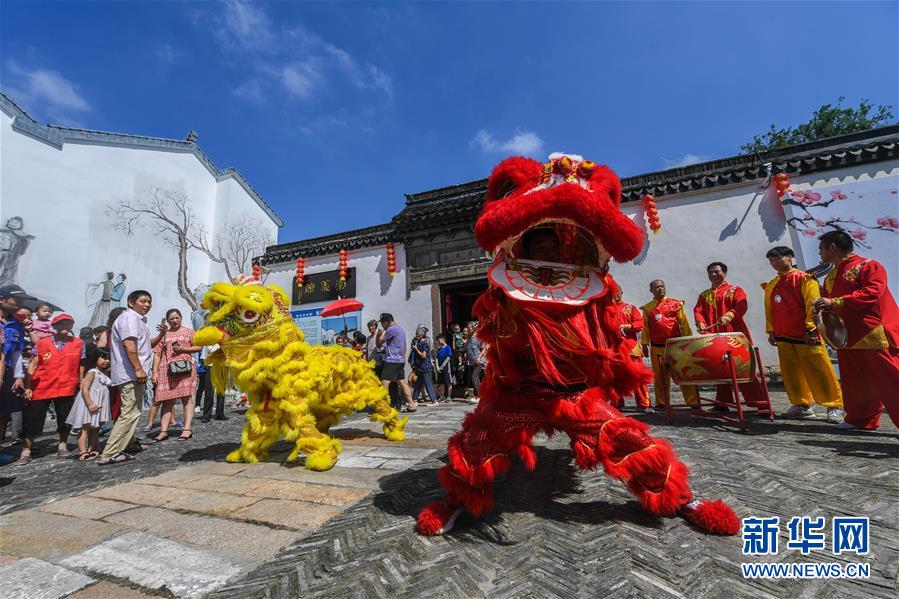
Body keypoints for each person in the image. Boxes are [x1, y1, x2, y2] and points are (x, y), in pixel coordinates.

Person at [814, 230, 899, 430]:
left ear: (832, 247)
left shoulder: (869, 266)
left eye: (821, 249)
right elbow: (829, 302)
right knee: (855, 382)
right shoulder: (831, 275)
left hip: (873, 331)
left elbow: (872, 292)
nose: (819, 253)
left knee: (891, 380)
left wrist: (833, 302)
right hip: (846, 334)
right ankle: (860, 418)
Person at [763, 246, 843, 422]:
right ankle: (802, 405)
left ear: (789, 257)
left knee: (819, 369)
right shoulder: (772, 284)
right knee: (791, 372)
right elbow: (769, 309)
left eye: (778, 258)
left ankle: (834, 405)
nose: (775, 263)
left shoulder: (805, 279)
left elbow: (812, 305)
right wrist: (771, 330)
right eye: (771, 260)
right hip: (783, 334)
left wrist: (811, 328)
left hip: (806, 335)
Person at [693, 262, 766, 410]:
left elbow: (741, 305)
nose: (714, 275)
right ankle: (722, 402)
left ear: (724, 273)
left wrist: (730, 315)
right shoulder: (704, 295)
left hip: (734, 337)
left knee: (744, 369)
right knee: (720, 369)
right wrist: (700, 323)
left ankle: (760, 403)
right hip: (715, 337)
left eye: (717, 272)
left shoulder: (735, 290)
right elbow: (698, 310)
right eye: (711, 273)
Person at [18, 314, 83, 465]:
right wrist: (27, 386)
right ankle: (26, 450)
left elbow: (82, 363)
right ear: (54, 327)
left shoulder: (78, 343)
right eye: (61, 324)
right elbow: (33, 364)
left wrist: (81, 379)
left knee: (65, 417)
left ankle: (62, 445)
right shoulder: (42, 343)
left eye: (68, 323)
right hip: (42, 386)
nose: (65, 326)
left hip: (66, 386)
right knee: (32, 419)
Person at [98, 290, 153, 465]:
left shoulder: (136, 319)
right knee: (129, 412)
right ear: (131, 302)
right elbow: (129, 344)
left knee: (134, 410)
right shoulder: (129, 318)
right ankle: (111, 452)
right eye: (143, 301)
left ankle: (128, 443)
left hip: (134, 373)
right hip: (130, 373)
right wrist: (138, 368)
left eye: (149, 302)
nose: (147, 305)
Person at [640, 280, 700, 410]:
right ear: (651, 290)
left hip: (676, 346)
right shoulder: (648, 308)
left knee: (684, 374)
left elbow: (684, 323)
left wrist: (688, 341)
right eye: (656, 287)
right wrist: (644, 344)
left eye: (662, 286)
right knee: (660, 376)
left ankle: (693, 401)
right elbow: (646, 328)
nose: (660, 289)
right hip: (657, 347)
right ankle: (662, 402)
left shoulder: (675, 304)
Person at [150, 308, 200, 442]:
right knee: (166, 400)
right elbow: (157, 353)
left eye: (177, 317)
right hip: (167, 370)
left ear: (181, 318)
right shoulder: (164, 334)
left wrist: (185, 349)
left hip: (186, 369)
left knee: (187, 399)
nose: (174, 320)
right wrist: (154, 372)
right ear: (167, 320)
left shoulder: (189, 331)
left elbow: (199, 347)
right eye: (171, 318)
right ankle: (163, 431)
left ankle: (187, 429)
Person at [0, 285, 33, 444]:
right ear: (1, 300)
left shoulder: (16, 325)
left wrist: (18, 376)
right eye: (16, 300)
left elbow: (16, 353)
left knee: (3, 411)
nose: (20, 303)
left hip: (6, 372)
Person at [66, 348, 112, 460]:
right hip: (89, 404)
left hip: (99, 404)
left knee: (96, 428)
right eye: (104, 358)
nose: (107, 361)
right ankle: (83, 450)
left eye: (108, 359)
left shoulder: (105, 373)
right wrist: (90, 403)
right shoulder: (92, 373)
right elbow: (85, 389)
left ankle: (95, 448)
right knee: (85, 428)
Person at [615, 292, 651, 412]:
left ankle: (644, 404)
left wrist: (627, 326)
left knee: (638, 378)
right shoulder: (604, 309)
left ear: (621, 293)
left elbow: (640, 324)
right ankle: (616, 405)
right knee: (614, 378)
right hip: (613, 349)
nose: (614, 294)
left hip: (631, 349)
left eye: (616, 292)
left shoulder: (630, 308)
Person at [376, 313, 416, 412]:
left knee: (384, 382)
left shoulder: (391, 329)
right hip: (399, 360)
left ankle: (383, 407)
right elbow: (404, 345)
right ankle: (411, 404)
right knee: (402, 382)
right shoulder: (401, 329)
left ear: (385, 322)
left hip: (392, 360)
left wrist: (379, 334)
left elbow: (379, 342)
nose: (382, 326)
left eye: (382, 323)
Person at [197, 343, 227, 423]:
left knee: (221, 392)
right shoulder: (208, 343)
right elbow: (203, 357)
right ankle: (206, 415)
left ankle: (220, 413)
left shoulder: (224, 343)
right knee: (209, 392)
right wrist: (206, 367)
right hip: (211, 367)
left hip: (222, 367)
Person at [410, 325, 438, 406]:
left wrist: (416, 349)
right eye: (416, 334)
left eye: (418, 335)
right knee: (418, 384)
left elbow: (423, 355)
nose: (416, 336)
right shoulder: (417, 342)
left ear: (422, 335)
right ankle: (414, 400)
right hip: (420, 367)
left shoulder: (425, 343)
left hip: (425, 366)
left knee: (428, 383)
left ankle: (434, 400)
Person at [465, 321, 485, 405]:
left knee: (474, 376)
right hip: (471, 361)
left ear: (474, 328)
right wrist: (466, 358)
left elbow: (484, 348)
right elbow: (468, 349)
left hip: (478, 361)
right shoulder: (469, 338)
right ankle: (479, 396)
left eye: (469, 328)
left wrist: (479, 357)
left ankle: (480, 396)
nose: (468, 329)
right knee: (475, 378)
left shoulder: (478, 338)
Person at [435, 333, 454, 403]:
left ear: (443, 339)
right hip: (439, 368)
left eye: (439, 339)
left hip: (446, 368)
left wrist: (442, 366)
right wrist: (437, 367)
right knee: (441, 382)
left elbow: (448, 357)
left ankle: (449, 396)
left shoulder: (448, 347)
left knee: (448, 382)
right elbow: (436, 358)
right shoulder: (439, 349)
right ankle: (442, 396)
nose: (438, 341)